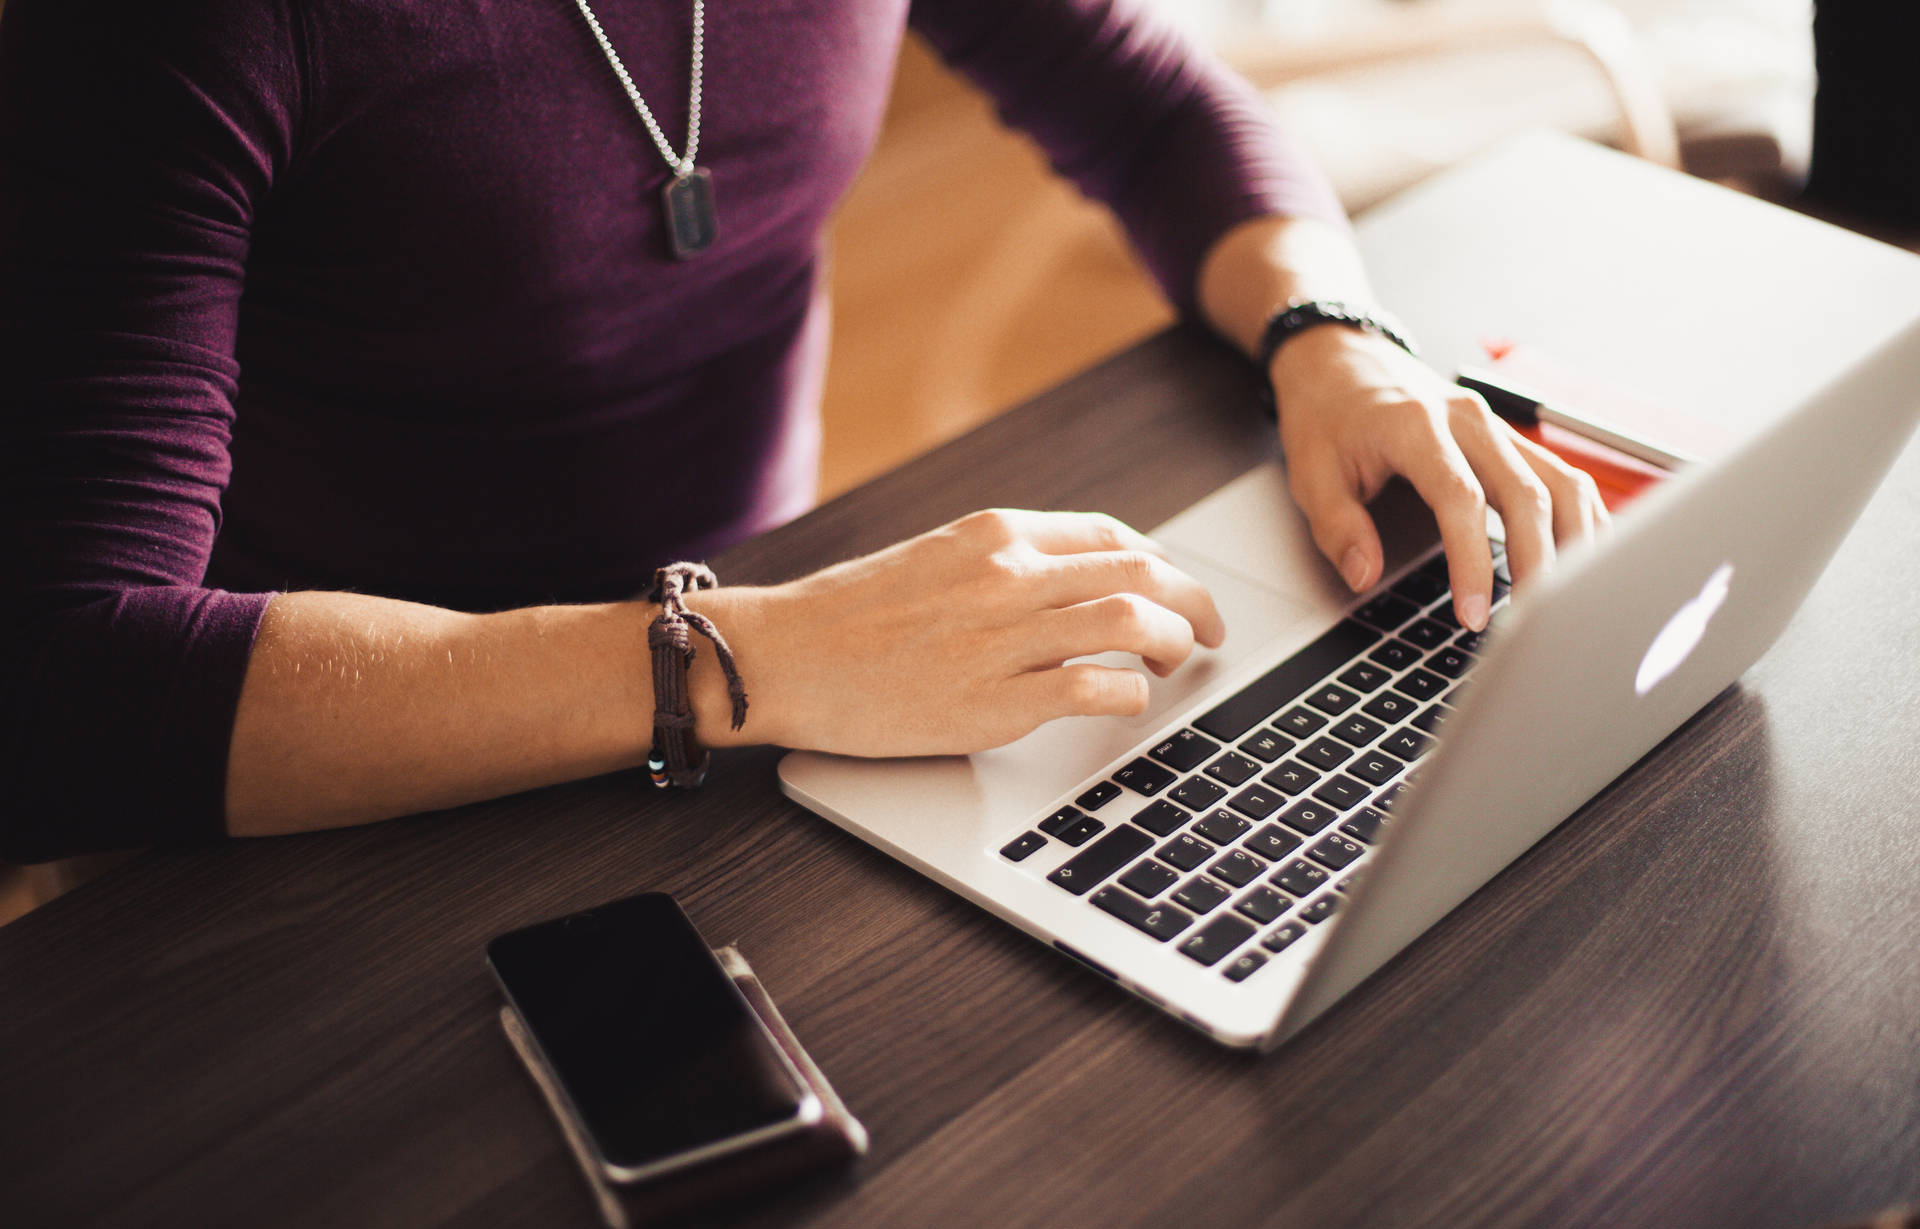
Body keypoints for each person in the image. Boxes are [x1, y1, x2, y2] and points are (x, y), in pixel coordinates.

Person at [0, 0, 1606, 860]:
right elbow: (65, 689)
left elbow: (1151, 104)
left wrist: (1333, 332)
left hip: (797, 647)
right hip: (347, 766)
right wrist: (730, 661)